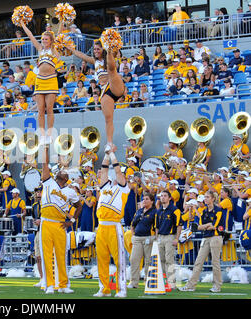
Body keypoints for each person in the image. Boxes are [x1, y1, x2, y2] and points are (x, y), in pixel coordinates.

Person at [39, 144, 82, 294]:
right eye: (61, 170)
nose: (62, 171)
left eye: (65, 171)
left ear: (67, 178)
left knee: (61, 255)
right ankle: (49, 284)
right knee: (47, 254)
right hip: (46, 222)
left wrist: (72, 221)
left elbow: (79, 206)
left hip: (59, 224)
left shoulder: (70, 191)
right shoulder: (48, 182)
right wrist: (45, 149)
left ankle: (63, 284)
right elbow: (44, 164)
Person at [69, 39, 124, 153]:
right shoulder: (95, 61)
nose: (95, 51)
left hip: (114, 84)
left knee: (111, 68)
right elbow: (82, 56)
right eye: (94, 49)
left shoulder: (107, 58)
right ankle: (109, 142)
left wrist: (112, 42)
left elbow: (115, 52)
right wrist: (71, 49)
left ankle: (108, 49)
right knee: (108, 118)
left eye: (98, 49)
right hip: (105, 91)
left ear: (103, 49)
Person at [92, 147, 130, 298]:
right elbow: (104, 170)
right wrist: (106, 155)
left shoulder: (123, 188)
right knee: (101, 259)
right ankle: (104, 288)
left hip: (114, 227)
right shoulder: (105, 186)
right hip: (101, 226)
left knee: (119, 259)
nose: (116, 174)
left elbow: (119, 173)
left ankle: (121, 289)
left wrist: (113, 155)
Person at [20, 20, 62, 145]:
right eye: (42, 39)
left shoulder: (54, 50)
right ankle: (42, 134)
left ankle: (49, 133)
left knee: (49, 109)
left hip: (51, 80)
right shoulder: (40, 49)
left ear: (51, 41)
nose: (43, 41)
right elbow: (30, 36)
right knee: (40, 109)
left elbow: (58, 35)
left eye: (46, 39)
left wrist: (62, 20)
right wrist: (23, 24)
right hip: (40, 81)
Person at [179, 190, 223, 292]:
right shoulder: (204, 211)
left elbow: (213, 226)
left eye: (207, 197)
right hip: (206, 237)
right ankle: (191, 285)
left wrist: (206, 226)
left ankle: (217, 286)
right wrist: (206, 225)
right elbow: (197, 226)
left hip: (215, 237)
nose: (205, 199)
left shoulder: (218, 210)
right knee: (198, 262)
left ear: (213, 199)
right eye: (205, 197)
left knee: (215, 262)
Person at [128, 192, 157, 289]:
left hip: (149, 238)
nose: (144, 200)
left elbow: (157, 227)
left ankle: (147, 282)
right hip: (137, 238)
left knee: (148, 261)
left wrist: (155, 238)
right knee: (134, 259)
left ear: (152, 201)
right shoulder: (139, 211)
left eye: (147, 199)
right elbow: (132, 224)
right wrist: (133, 236)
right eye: (143, 199)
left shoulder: (155, 212)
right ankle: (133, 282)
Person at [155, 190, 182, 289]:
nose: (163, 197)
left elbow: (179, 225)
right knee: (161, 260)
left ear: (170, 198)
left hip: (170, 237)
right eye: (161, 196)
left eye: (165, 196)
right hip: (160, 237)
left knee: (169, 260)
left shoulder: (175, 210)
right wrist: (156, 238)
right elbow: (156, 226)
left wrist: (176, 238)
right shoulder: (158, 211)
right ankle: (162, 281)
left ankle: (171, 283)